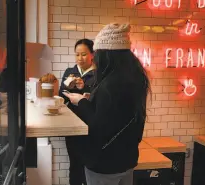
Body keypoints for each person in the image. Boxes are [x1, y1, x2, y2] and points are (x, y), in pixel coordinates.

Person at [63, 23, 151, 185]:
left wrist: (81, 101)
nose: (95, 58)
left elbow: (98, 125)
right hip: (127, 158)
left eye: (97, 53)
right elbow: (118, 117)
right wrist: (93, 99)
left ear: (107, 55)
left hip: (104, 163)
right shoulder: (136, 79)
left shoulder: (109, 85)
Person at [59, 39, 95, 185]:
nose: (80, 58)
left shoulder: (98, 74)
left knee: (89, 163)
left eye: (84, 54)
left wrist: (84, 87)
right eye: (77, 55)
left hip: (91, 125)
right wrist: (66, 87)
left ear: (92, 54)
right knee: (74, 163)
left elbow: (100, 99)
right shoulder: (70, 72)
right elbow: (61, 97)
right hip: (72, 124)